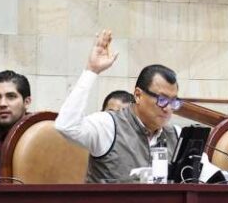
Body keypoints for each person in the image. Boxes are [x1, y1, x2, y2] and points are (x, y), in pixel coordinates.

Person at [55, 29, 181, 183]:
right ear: (138, 95)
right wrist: (91, 71)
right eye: (162, 99)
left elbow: (205, 178)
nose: (168, 108)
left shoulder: (177, 135)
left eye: (173, 101)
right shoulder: (108, 125)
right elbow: (66, 126)